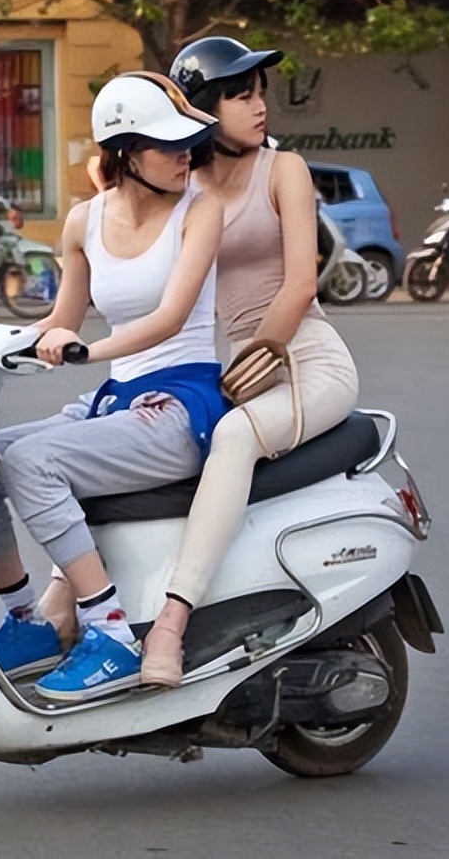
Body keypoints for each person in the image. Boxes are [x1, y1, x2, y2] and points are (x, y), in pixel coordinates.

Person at [81, 36, 357, 687]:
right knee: (110, 439)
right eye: (241, 95)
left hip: (303, 362)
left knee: (231, 439)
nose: (260, 107)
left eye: (259, 93)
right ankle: (73, 613)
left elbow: (299, 287)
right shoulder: (185, 184)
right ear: (204, 108)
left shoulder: (282, 170)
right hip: (225, 371)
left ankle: (172, 626)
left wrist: (262, 353)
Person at [0, 71, 227, 702]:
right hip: (114, 402)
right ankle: (26, 621)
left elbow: (168, 317)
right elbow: (61, 320)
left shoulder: (201, 211)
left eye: (188, 142)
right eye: (168, 145)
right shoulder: (84, 221)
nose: (185, 155)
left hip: (177, 407)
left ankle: (109, 632)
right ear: (126, 153)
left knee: (32, 461)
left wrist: (89, 351)